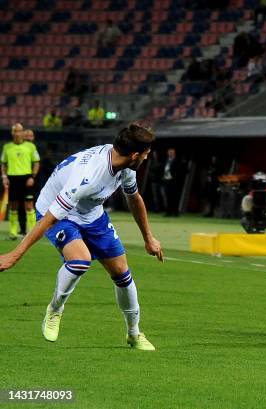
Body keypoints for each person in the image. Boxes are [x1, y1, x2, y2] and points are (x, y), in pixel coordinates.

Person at [0, 123, 163, 350]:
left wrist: (149, 238)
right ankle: (55, 309)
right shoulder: (89, 177)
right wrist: (15, 255)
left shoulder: (125, 165)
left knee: (121, 272)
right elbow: (50, 218)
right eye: (146, 154)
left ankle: (134, 334)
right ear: (135, 154)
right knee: (80, 260)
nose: (146, 158)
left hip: (92, 214)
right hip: (56, 211)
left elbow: (133, 198)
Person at [1, 123, 40, 239]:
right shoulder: (7, 147)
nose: (17, 133)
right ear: (12, 133)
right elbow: (3, 163)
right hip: (12, 178)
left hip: (26, 178)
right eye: (15, 131)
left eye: (19, 131)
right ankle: (13, 233)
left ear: (22, 132)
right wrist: (4, 177)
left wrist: (32, 177)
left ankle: (33, 233)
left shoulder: (30, 147)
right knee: (13, 206)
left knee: (29, 205)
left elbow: (36, 162)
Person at [162, 148, 184, 217]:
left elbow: (180, 171)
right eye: (169, 152)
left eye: (171, 152)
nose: (170, 153)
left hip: (174, 182)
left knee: (175, 197)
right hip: (167, 181)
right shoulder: (166, 160)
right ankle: (168, 212)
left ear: (174, 153)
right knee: (168, 197)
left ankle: (175, 212)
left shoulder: (177, 161)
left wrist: (174, 177)